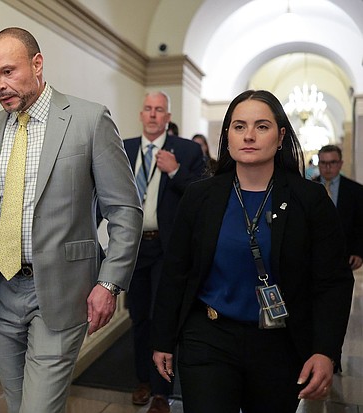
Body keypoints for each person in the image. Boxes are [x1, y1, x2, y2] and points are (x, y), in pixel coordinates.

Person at [0, 27, 143, 413]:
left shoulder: (89, 121)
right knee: (19, 402)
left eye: (8, 72)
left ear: (37, 64)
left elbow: (125, 210)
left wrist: (109, 282)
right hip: (1, 291)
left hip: (61, 290)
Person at [151, 90, 354, 413]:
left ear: (280, 135)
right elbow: (176, 271)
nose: (248, 135)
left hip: (279, 344)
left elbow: (333, 282)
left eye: (261, 126)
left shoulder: (310, 200)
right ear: (227, 135)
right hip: (208, 337)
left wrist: (325, 351)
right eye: (238, 126)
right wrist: (162, 338)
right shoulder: (200, 197)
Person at [124, 91, 205, 413]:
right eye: (148, 109)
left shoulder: (187, 150)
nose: (154, 115)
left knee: (163, 317)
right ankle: (143, 380)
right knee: (138, 317)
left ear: (168, 117)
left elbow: (201, 195)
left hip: (168, 248)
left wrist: (174, 171)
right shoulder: (124, 148)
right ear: (141, 114)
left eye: (160, 110)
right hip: (134, 247)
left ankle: (162, 391)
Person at [315, 144, 363, 270]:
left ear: (340, 164)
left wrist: (359, 252)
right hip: (313, 255)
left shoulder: (356, 190)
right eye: (323, 163)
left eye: (332, 162)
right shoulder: (307, 188)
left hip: (344, 256)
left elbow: (360, 224)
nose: (328, 167)